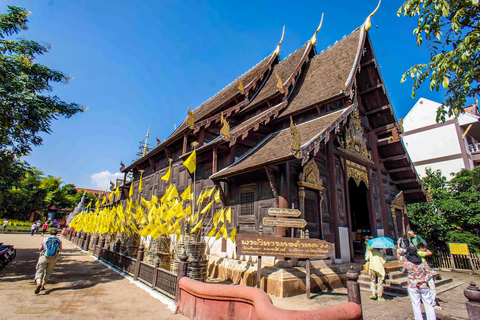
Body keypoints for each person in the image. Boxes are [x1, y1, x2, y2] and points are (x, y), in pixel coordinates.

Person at [402, 247, 436, 320]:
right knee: (428, 304)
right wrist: (423, 280)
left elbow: (403, 271)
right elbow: (429, 274)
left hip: (412, 285)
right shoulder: (423, 263)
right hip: (423, 285)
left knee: (416, 304)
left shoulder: (407, 264)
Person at [34, 228, 62, 294]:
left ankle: (39, 283)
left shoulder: (45, 239)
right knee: (48, 272)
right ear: (56, 233)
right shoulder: (59, 240)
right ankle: (42, 286)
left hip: (44, 257)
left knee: (40, 271)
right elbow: (60, 249)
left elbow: (40, 248)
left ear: (50, 233)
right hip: (53, 258)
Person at [417, 242, 443, 311]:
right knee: (431, 287)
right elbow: (430, 253)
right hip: (425, 272)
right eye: (424, 248)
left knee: (425, 286)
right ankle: (432, 302)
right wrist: (426, 249)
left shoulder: (416, 253)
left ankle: (427, 299)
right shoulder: (419, 252)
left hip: (422, 272)